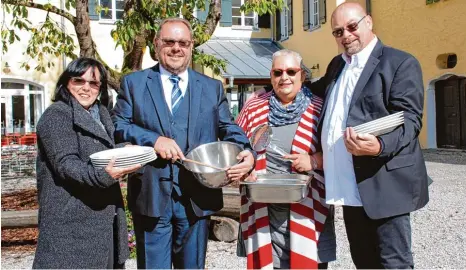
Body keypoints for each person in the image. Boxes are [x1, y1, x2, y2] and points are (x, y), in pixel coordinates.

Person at [110, 18, 255, 269]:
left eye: (183, 43)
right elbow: (117, 126)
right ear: (156, 45)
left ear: (191, 46)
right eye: (169, 41)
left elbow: (228, 127)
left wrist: (247, 152)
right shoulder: (133, 84)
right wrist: (153, 140)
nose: (176, 48)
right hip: (151, 196)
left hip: (196, 198)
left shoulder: (212, 88)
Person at [311, 2, 429, 268]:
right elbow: (312, 92)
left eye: (352, 27)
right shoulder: (336, 65)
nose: (346, 36)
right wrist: (274, 90)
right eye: (338, 32)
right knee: (363, 261)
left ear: (369, 22)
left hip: (383, 182)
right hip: (349, 186)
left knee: (393, 262)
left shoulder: (399, 62)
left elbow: (410, 120)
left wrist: (378, 145)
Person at [33, 57, 141, 269]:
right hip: (71, 223)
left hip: (104, 219)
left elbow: (106, 149)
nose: (86, 88)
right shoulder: (56, 116)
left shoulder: (100, 114)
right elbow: (66, 164)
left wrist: (131, 152)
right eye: (78, 81)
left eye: (93, 83)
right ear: (66, 83)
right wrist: (103, 175)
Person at [236, 49, 336, 269]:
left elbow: (339, 151)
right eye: (278, 72)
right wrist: (245, 165)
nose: (285, 77)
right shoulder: (253, 108)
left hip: (310, 206)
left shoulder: (320, 108)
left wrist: (315, 160)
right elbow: (236, 144)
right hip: (263, 207)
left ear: (303, 75)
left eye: (291, 71)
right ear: (271, 76)